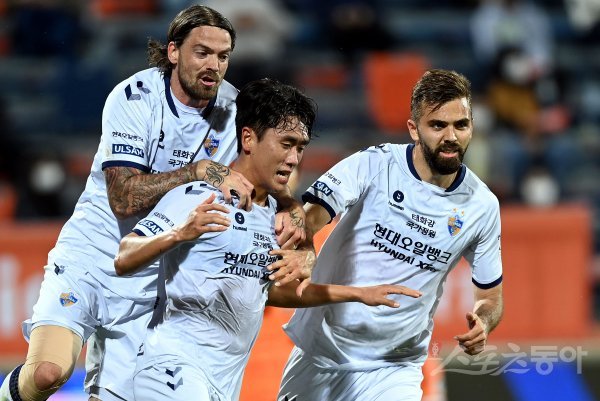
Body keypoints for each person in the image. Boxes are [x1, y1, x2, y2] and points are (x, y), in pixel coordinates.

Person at [0, 5, 306, 401]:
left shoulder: (236, 111)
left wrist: (293, 211)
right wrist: (199, 171)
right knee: (47, 374)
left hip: (152, 281)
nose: (213, 65)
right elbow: (124, 198)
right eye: (202, 52)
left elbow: (275, 174)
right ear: (174, 51)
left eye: (223, 56)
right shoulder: (134, 98)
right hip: (92, 258)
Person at [113, 78, 422, 401]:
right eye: (286, 144)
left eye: (300, 147)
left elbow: (270, 292)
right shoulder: (200, 196)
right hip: (171, 365)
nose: (294, 158)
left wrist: (358, 294)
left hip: (224, 379)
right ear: (248, 138)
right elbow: (124, 256)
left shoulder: (276, 218)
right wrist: (180, 233)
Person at [275, 69, 505, 401]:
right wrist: (305, 246)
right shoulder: (374, 164)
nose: (451, 136)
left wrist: (483, 322)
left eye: (461, 125)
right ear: (413, 129)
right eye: (438, 125)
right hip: (321, 350)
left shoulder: (482, 206)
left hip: (394, 365)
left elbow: (491, 297)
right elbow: (311, 216)